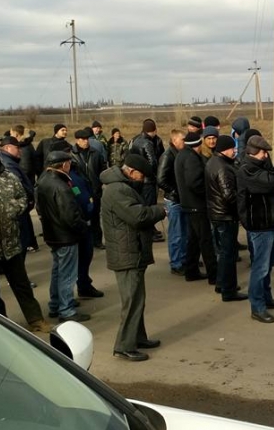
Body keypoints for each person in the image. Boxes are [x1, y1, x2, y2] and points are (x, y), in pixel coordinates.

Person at [0, 137, 50, 333]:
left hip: (12, 244)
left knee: (22, 285)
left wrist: (12, 209)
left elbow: (24, 198)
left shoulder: (9, 177)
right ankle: (3, 323)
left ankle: (36, 319)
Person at [101, 154, 167, 362]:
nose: (143, 179)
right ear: (130, 171)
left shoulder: (121, 186)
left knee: (137, 299)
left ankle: (137, 337)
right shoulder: (118, 189)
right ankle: (124, 346)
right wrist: (158, 211)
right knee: (131, 301)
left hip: (131, 251)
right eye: (141, 175)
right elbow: (137, 216)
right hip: (127, 253)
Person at [237, 135, 274, 323]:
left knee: (268, 265)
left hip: (269, 223)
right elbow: (269, 182)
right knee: (260, 267)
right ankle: (257, 306)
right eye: (264, 152)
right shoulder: (246, 170)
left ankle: (266, 297)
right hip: (259, 225)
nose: (266, 156)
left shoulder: (259, 166)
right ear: (255, 152)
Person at [36, 150, 91, 322]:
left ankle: (55, 304)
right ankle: (66, 310)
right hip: (65, 235)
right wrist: (84, 227)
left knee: (58, 271)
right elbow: (70, 216)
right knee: (67, 273)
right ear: (64, 164)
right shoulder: (61, 186)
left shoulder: (43, 181)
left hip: (53, 233)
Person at [206, 135, 248, 302]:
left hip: (217, 213)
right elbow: (228, 194)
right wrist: (242, 202)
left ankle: (222, 283)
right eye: (232, 148)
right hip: (225, 215)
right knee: (229, 254)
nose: (235, 151)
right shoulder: (223, 167)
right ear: (225, 149)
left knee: (224, 253)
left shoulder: (212, 162)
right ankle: (228, 291)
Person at [175, 132, 218, 284]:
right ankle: (215, 276)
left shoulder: (182, 155)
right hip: (197, 205)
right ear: (198, 145)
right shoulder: (191, 158)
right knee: (205, 240)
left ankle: (191, 271)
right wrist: (208, 193)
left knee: (193, 240)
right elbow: (194, 182)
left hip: (189, 204)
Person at [157, 129, 187, 275]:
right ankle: (176, 263)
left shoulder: (181, 154)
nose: (185, 142)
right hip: (174, 200)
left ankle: (184, 258)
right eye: (183, 140)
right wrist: (175, 191)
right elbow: (160, 179)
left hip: (182, 199)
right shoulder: (167, 156)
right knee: (176, 233)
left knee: (184, 231)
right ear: (175, 141)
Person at [131, 118, 165, 242]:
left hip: (137, 178)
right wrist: (155, 175)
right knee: (149, 206)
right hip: (148, 180)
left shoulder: (135, 140)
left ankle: (150, 229)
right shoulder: (148, 143)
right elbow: (153, 162)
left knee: (144, 204)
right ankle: (149, 232)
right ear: (154, 130)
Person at [72, 128, 106, 250]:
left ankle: (97, 241)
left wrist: (99, 183)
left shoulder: (95, 153)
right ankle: (83, 242)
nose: (86, 142)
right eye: (83, 139)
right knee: (81, 218)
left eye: (87, 139)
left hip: (95, 190)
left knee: (95, 218)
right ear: (77, 140)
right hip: (79, 192)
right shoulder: (71, 155)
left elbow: (103, 169)